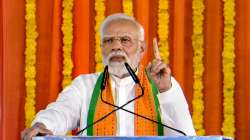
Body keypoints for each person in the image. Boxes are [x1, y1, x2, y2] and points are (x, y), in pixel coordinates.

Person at [21, 13, 196, 139]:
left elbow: (186, 134)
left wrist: (165, 90)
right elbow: (61, 112)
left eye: (125, 40)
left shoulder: (163, 84)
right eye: (109, 41)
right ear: (101, 48)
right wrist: (43, 125)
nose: (116, 47)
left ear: (142, 49)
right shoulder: (85, 85)